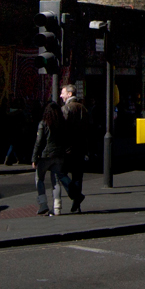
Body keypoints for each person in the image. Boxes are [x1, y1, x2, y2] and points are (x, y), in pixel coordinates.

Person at [31, 101, 67, 216]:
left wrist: (34, 158)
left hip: (45, 155)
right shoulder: (62, 123)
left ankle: (43, 204)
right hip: (59, 155)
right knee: (56, 181)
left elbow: (38, 142)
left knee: (39, 178)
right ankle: (57, 207)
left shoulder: (43, 123)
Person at [58, 83, 88, 213]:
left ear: (69, 94)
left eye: (63, 93)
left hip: (68, 148)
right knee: (77, 175)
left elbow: (62, 129)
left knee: (61, 172)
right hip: (81, 147)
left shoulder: (66, 109)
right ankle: (77, 204)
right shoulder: (84, 108)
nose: (61, 95)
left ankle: (76, 195)